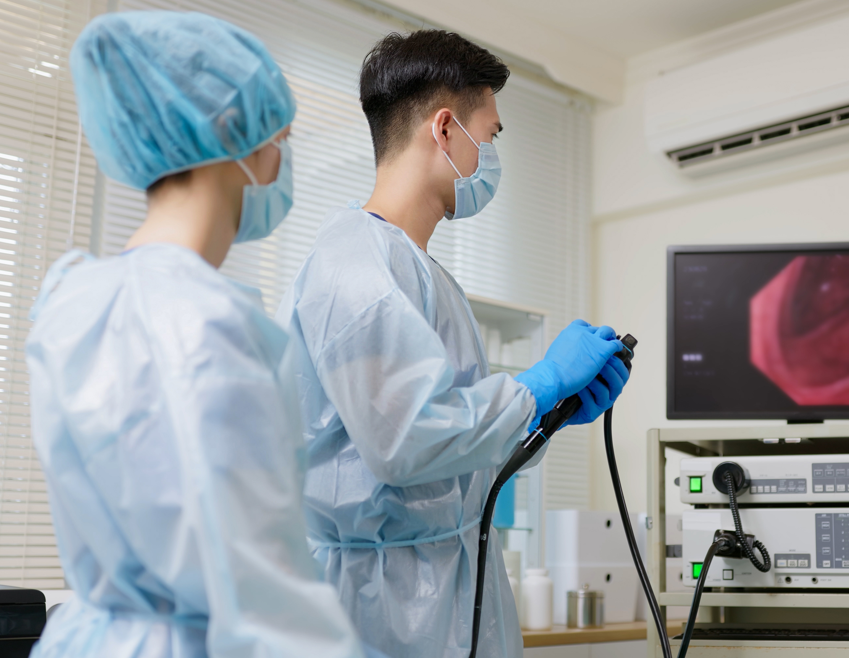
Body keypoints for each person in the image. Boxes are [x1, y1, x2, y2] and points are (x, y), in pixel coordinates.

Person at [276, 30, 630, 657]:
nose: (491, 156)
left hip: (442, 594)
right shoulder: (355, 262)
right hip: (382, 610)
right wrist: (539, 383)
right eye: (489, 136)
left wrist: (550, 416)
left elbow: (450, 461)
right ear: (445, 129)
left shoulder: (422, 274)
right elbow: (406, 440)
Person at [27, 12, 367, 658]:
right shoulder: (207, 323)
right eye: (281, 139)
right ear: (231, 139)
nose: (282, 162)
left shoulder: (69, 300)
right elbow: (260, 591)